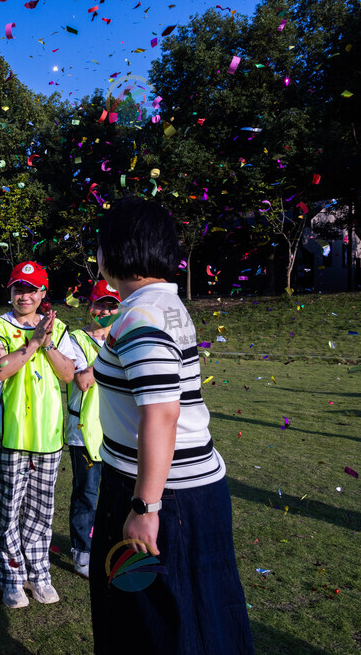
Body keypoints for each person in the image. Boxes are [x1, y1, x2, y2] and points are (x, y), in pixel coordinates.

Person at [89, 198, 252, 653]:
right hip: (182, 489)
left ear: (118, 250)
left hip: (166, 495)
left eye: (100, 246)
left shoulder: (142, 314)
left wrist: (145, 508)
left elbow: (161, 411)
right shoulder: (162, 303)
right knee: (200, 615)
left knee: (159, 623)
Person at [0, 261, 75, 609]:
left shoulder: (58, 327)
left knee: (40, 510)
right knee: (7, 511)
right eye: (18, 288)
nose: (24, 295)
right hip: (8, 432)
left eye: (31, 289)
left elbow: (68, 374)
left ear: (42, 293)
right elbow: (0, 368)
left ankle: (39, 573)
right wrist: (34, 343)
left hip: (48, 434)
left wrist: (48, 344)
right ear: (10, 291)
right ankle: (11, 578)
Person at [58, 280, 120, 579]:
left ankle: (111, 546)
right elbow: (83, 381)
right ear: (90, 306)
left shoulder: (127, 338)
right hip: (85, 432)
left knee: (118, 494)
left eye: (112, 305)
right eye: (100, 304)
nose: (105, 310)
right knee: (87, 493)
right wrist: (112, 350)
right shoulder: (75, 339)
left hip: (119, 431)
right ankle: (83, 551)